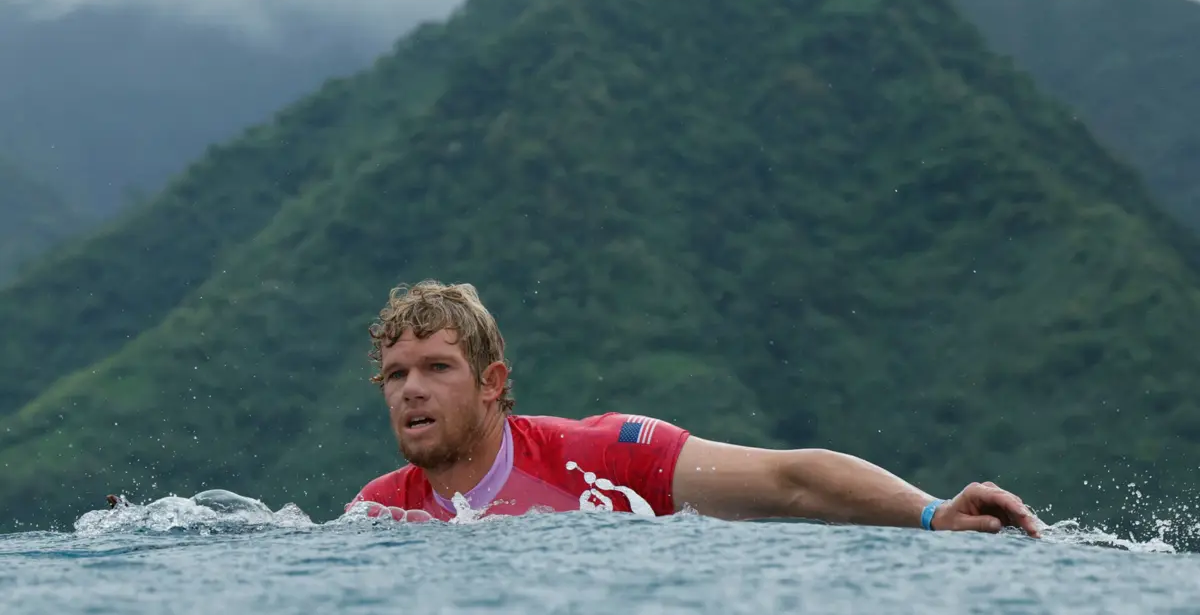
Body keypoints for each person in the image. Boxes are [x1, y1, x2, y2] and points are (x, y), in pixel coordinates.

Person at [347, 280, 1042, 537]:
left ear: (492, 382)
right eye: (396, 374)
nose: (412, 389)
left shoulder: (606, 456)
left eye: (438, 367)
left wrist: (933, 512)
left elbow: (789, 480)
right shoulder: (377, 515)